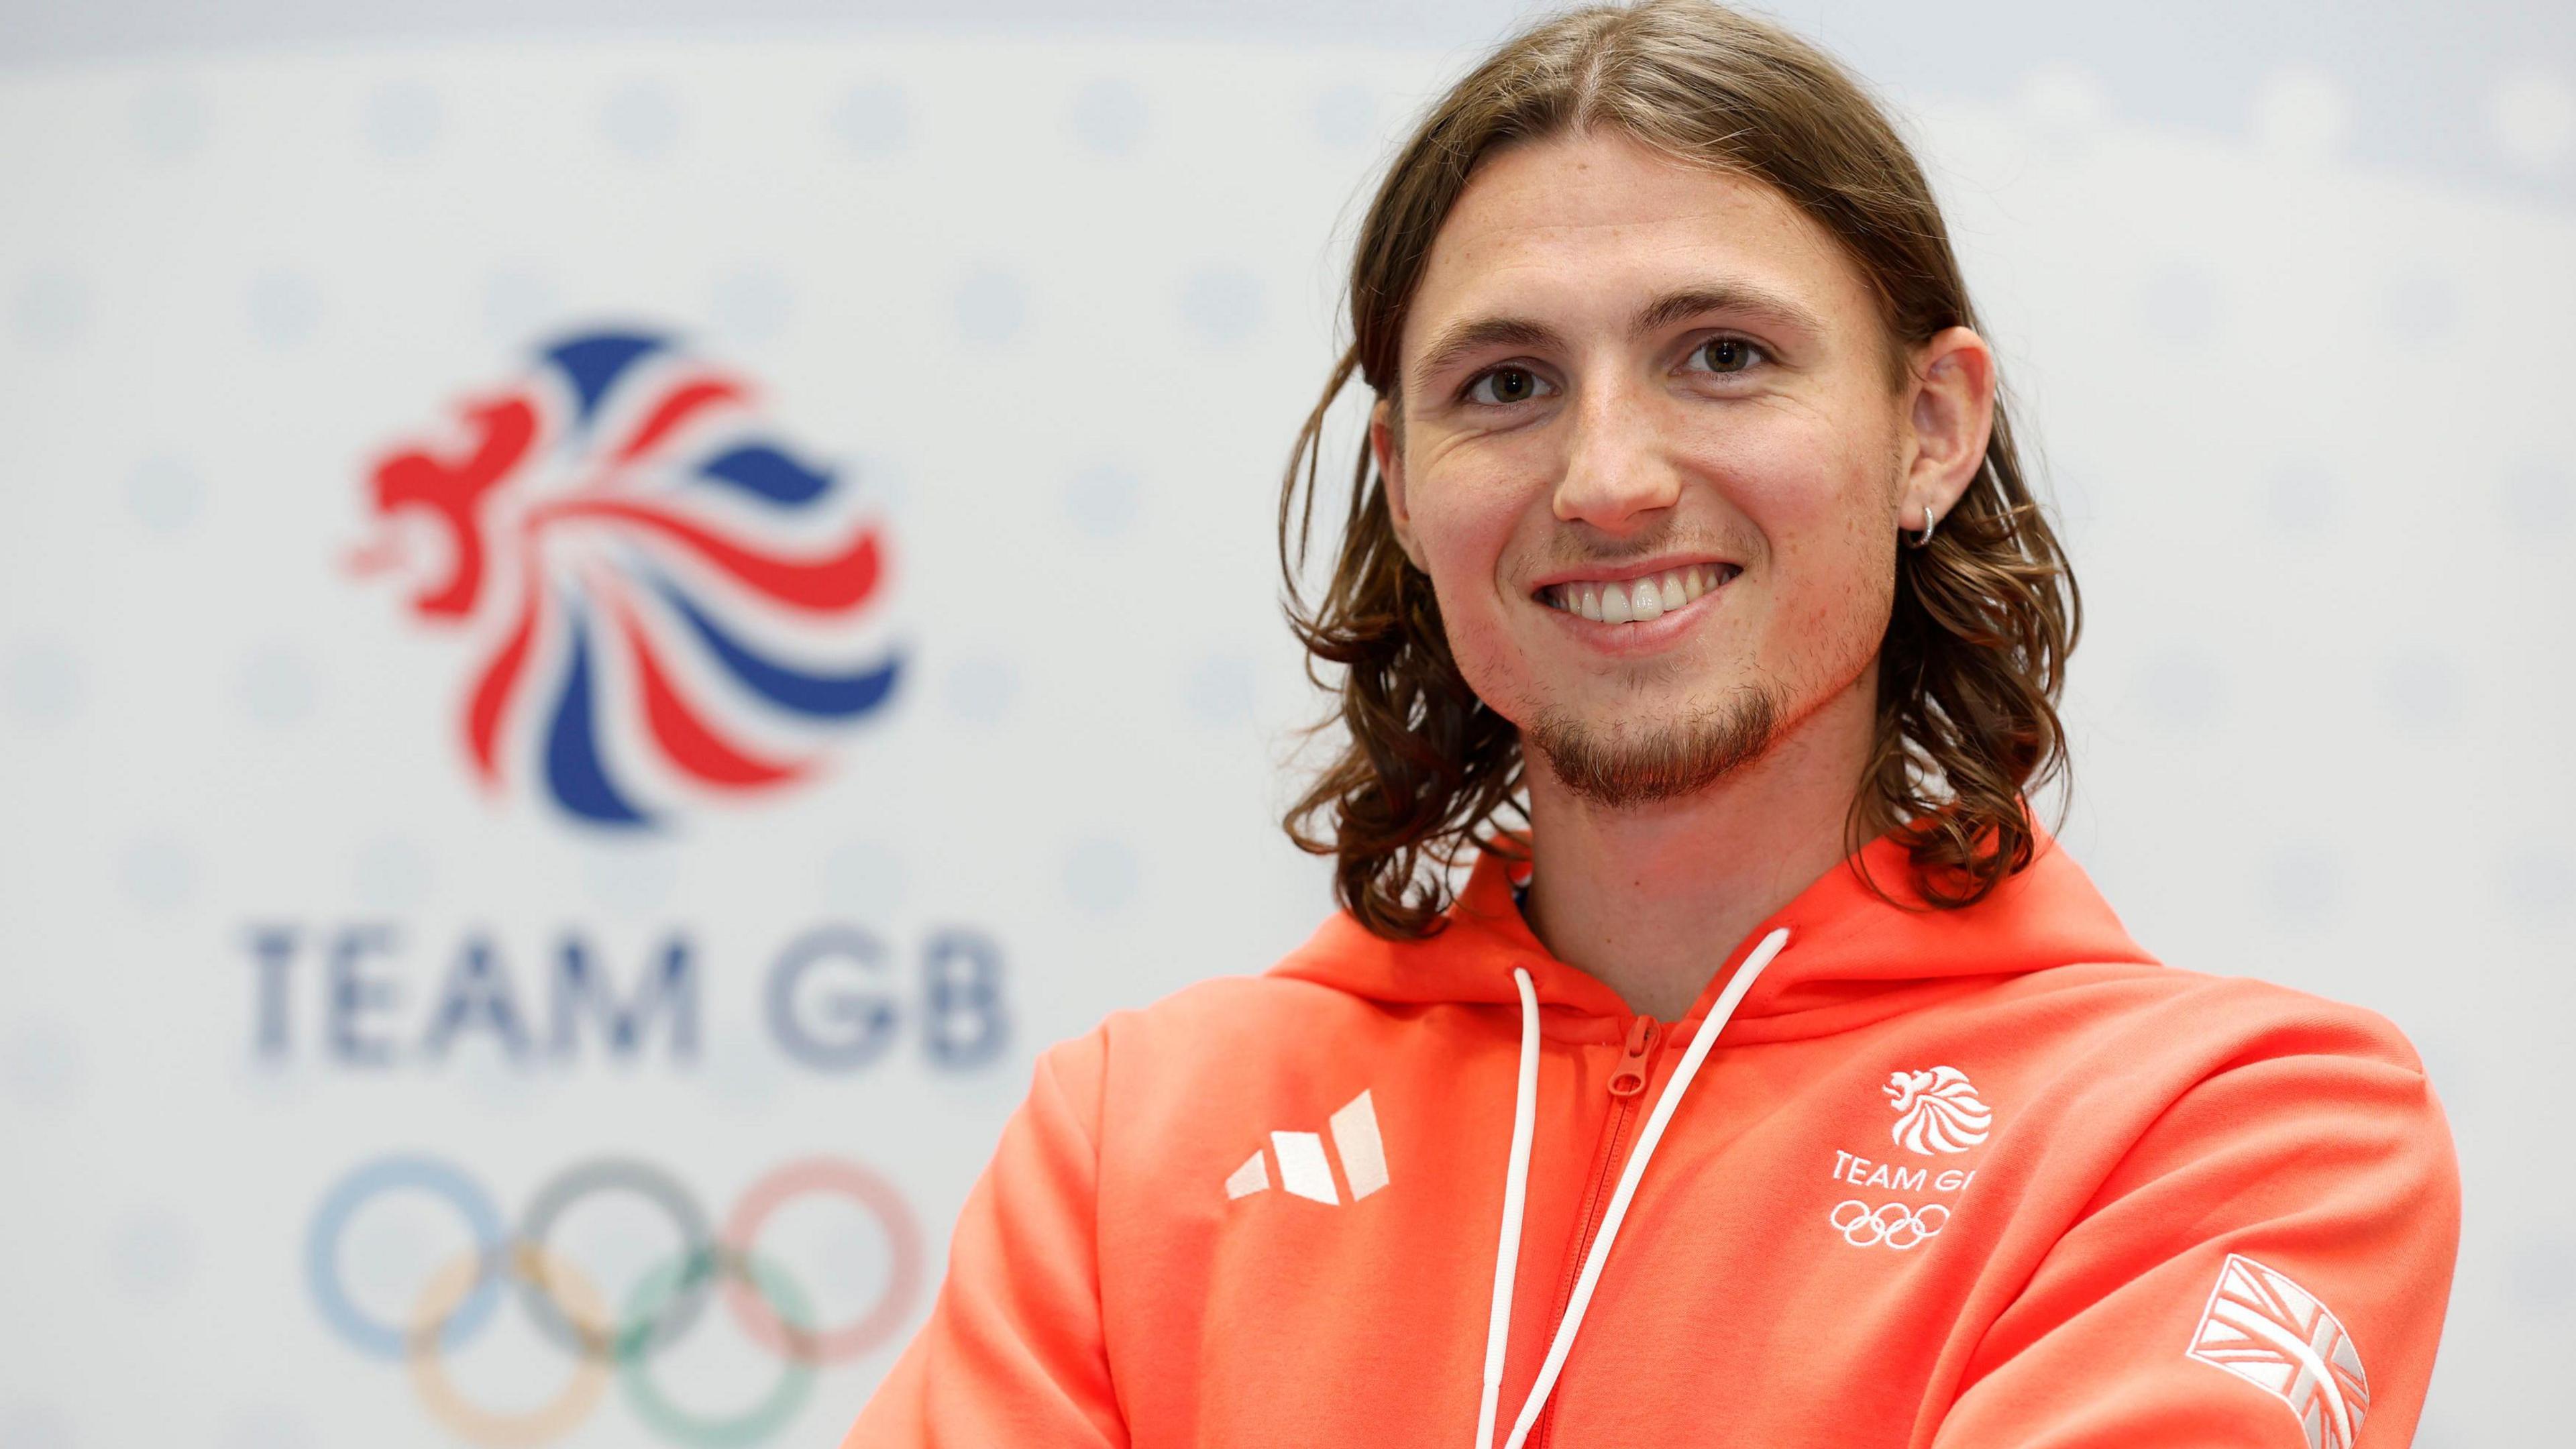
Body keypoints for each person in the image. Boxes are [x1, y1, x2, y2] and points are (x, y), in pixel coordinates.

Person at [840, 2, 2459, 1444]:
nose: (1608, 478)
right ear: (1405, 488)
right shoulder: (1135, 1143)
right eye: (1506, 385)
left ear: (1931, 430)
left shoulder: (2235, 1128)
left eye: (1724, 356)